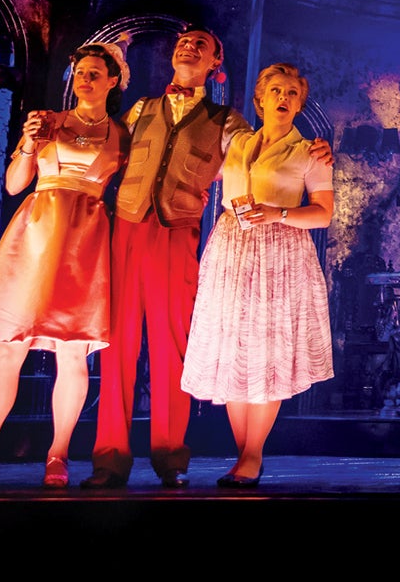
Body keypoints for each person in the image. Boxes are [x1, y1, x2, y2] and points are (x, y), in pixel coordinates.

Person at [84, 27, 330, 489]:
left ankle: (170, 457)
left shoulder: (228, 124)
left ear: (216, 63)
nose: (189, 46)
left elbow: (269, 159)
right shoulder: (140, 109)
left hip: (179, 231)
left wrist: (318, 149)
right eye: (184, 41)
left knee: (173, 344)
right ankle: (109, 459)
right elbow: (101, 147)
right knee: (117, 343)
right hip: (130, 225)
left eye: (201, 44)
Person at [0, 44, 129, 490]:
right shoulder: (47, 121)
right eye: (79, 72)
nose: (85, 79)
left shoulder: (123, 133)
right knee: (10, 347)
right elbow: (14, 185)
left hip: (85, 239)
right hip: (36, 232)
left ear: (112, 81)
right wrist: (28, 144)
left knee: (73, 350)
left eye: (94, 72)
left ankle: (58, 454)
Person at [181, 63, 335, 486]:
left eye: (292, 93)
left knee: (269, 354)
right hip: (232, 248)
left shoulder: (310, 151)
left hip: (280, 252)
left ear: (299, 105)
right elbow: (199, 167)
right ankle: (243, 453)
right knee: (234, 348)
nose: (283, 97)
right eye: (276, 90)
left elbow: (323, 214)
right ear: (260, 99)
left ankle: (253, 453)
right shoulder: (236, 141)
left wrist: (277, 213)